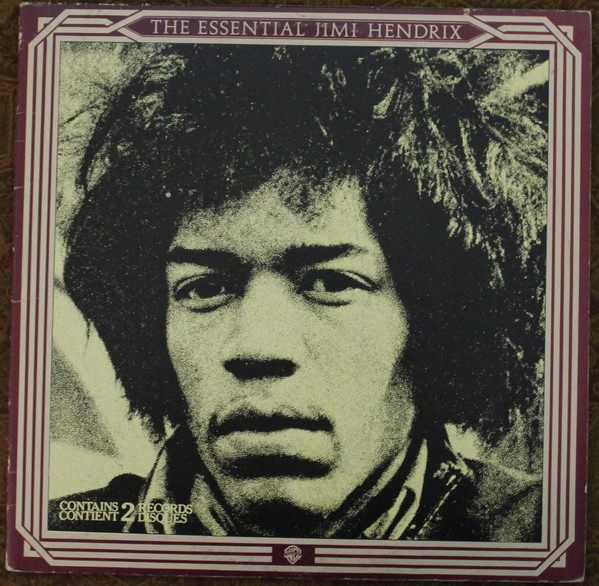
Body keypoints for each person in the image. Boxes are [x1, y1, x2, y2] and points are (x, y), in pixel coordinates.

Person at [49, 44, 548, 540]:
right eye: (205, 288)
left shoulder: (544, 536)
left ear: (434, 324)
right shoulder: (61, 538)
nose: (257, 348)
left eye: (331, 282)